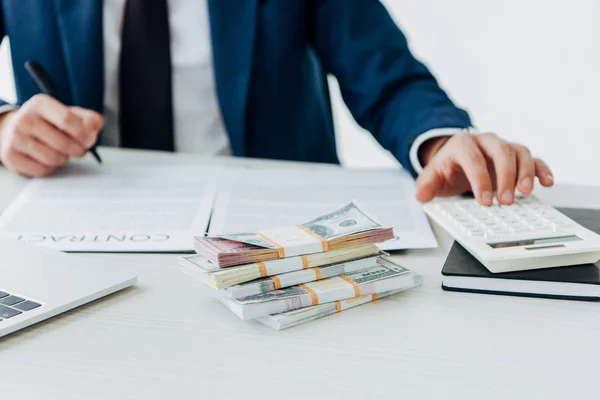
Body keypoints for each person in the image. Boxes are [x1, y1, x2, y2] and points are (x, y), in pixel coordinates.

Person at [0, 1, 553, 206]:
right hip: (84, 220)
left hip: (278, 233)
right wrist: (3, 124)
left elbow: (386, 77)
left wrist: (440, 141)